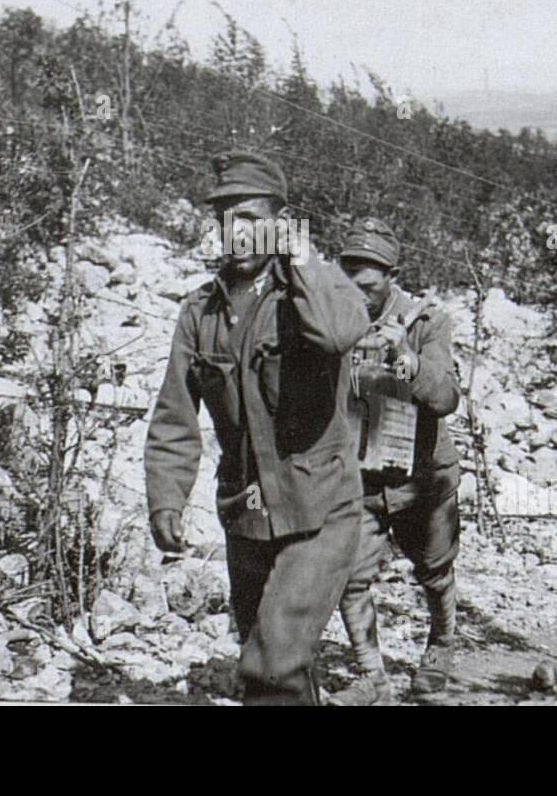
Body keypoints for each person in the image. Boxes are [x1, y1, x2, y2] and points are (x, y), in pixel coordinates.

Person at [144, 151, 371, 705]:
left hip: (319, 509)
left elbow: (343, 331)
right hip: (247, 514)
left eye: (248, 217)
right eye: (224, 218)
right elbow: (176, 412)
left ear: (280, 220)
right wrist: (166, 500)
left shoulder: (312, 295)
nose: (234, 231)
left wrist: (302, 258)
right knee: (267, 656)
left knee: (271, 664)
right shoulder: (201, 312)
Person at [329, 217, 464, 705]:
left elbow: (446, 396)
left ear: (392, 276)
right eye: (349, 282)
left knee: (433, 570)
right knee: (349, 578)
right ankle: (373, 677)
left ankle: (442, 642)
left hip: (421, 477)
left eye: (367, 287)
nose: (357, 295)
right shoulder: (332, 315)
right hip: (359, 478)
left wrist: (407, 359)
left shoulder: (428, 321)